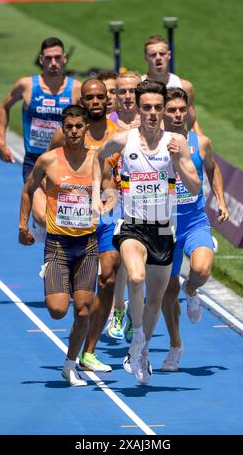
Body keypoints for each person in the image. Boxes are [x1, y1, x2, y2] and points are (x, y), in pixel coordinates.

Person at [94, 80, 201, 385]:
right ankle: (137, 334)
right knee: (136, 277)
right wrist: (99, 193)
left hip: (164, 232)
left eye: (158, 107)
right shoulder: (122, 140)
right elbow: (97, 157)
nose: (153, 113)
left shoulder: (175, 143)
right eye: (147, 108)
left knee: (155, 300)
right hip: (133, 226)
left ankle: (141, 350)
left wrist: (178, 164)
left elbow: (194, 188)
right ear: (138, 110)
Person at [18, 105, 108, 386]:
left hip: (88, 246)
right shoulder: (48, 161)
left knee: (83, 310)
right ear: (62, 128)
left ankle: (70, 363)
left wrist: (105, 203)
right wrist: (23, 225)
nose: (73, 132)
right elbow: (28, 189)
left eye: (78, 127)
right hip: (57, 244)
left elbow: (111, 191)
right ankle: (55, 275)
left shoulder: (96, 159)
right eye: (68, 127)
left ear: (85, 128)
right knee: (57, 310)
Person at [49, 79, 120, 372]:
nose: (95, 102)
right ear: (82, 99)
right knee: (65, 304)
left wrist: (110, 199)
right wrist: (42, 206)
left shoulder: (119, 136)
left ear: (107, 101)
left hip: (106, 217)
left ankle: (89, 351)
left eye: (100, 97)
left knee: (109, 279)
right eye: (89, 97)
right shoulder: (64, 134)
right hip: (72, 223)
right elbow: (46, 172)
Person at [161, 87, 229, 372]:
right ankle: (175, 346)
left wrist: (221, 200)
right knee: (166, 288)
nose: (178, 115)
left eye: (182, 110)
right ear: (162, 112)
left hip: (193, 219)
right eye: (172, 110)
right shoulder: (151, 143)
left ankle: (191, 290)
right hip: (163, 225)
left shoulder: (201, 142)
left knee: (201, 270)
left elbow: (212, 169)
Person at [0, 37, 81, 229]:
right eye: (49, 58)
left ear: (64, 58)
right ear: (41, 59)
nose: (53, 63)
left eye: (57, 58)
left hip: (65, 161)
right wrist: (1, 142)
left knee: (67, 216)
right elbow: (4, 106)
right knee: (42, 217)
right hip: (35, 160)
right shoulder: (26, 86)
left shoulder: (75, 89)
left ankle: (59, 255)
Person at [105, 71, 142, 340]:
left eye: (133, 91)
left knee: (142, 268)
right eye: (122, 91)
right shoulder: (107, 126)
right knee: (117, 260)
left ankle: (132, 310)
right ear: (115, 95)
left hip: (149, 202)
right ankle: (118, 308)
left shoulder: (152, 121)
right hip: (117, 201)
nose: (128, 96)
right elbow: (96, 162)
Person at [142, 34, 203, 135]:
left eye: (162, 53)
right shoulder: (139, 86)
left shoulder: (185, 86)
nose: (158, 58)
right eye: (153, 55)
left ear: (169, 55)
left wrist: (200, 144)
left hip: (178, 144)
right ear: (145, 58)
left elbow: (192, 122)